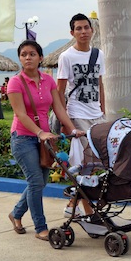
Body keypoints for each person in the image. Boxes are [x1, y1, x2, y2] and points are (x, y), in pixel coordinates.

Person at [7, 40, 86, 241]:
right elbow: (20, 114)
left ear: (40, 58)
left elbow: (58, 108)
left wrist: (72, 129)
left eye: (32, 54)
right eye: (23, 54)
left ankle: (16, 214)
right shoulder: (15, 82)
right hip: (23, 138)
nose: (28, 58)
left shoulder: (48, 80)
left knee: (40, 182)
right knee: (35, 181)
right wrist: (39, 132)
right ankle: (40, 227)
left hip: (44, 139)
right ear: (20, 58)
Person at [57, 13, 107, 218]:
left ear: (92, 30)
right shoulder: (66, 57)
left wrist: (103, 111)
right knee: (84, 163)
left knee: (96, 162)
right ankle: (87, 209)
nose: (83, 31)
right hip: (77, 114)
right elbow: (60, 92)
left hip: (97, 115)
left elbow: (100, 84)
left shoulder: (98, 54)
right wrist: (66, 122)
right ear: (72, 33)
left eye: (86, 27)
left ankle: (72, 204)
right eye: (79, 28)